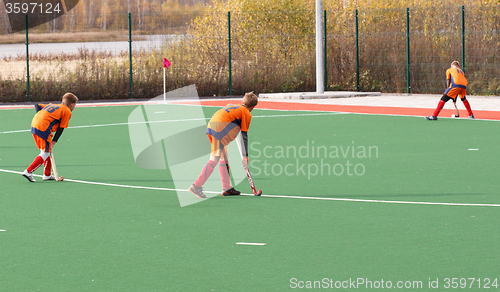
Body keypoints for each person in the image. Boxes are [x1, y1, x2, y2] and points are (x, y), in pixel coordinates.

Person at [189, 92, 258, 198]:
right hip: (218, 132)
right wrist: (245, 157)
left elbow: (214, 115)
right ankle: (196, 186)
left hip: (211, 127)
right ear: (253, 107)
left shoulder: (232, 105)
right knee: (214, 158)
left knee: (224, 157)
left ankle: (227, 188)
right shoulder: (247, 113)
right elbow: (244, 136)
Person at [22, 93, 78, 182]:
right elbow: (61, 129)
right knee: (46, 153)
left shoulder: (54, 105)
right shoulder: (67, 111)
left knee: (45, 150)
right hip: (44, 128)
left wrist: (41, 117)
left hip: (35, 124)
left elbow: (38, 105)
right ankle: (28, 171)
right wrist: (54, 142)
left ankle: (47, 174)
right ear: (72, 104)